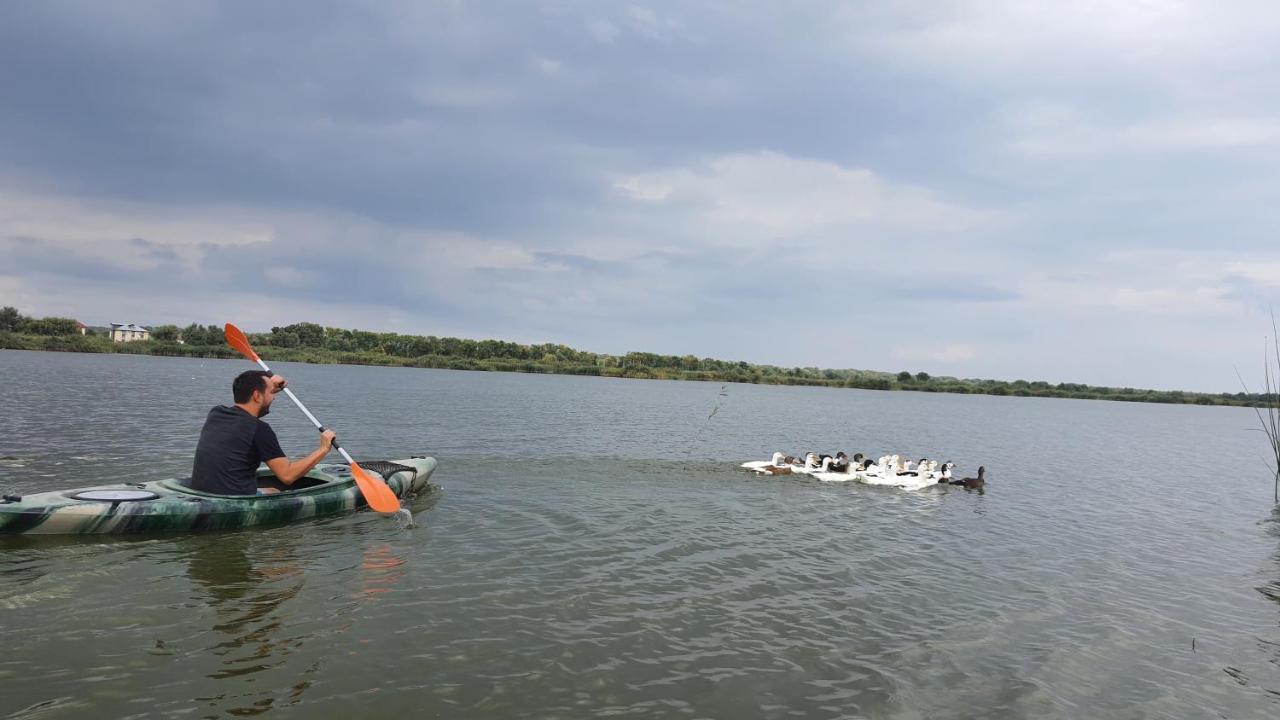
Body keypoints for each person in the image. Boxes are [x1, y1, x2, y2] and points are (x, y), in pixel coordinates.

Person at [191, 370, 336, 495]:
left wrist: (270, 385)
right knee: (276, 490)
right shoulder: (260, 429)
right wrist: (323, 449)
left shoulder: (216, 413)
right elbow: (288, 476)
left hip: (204, 491)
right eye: (271, 393)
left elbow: (247, 414)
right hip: (235, 498)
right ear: (257, 396)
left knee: (271, 489)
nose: (274, 397)